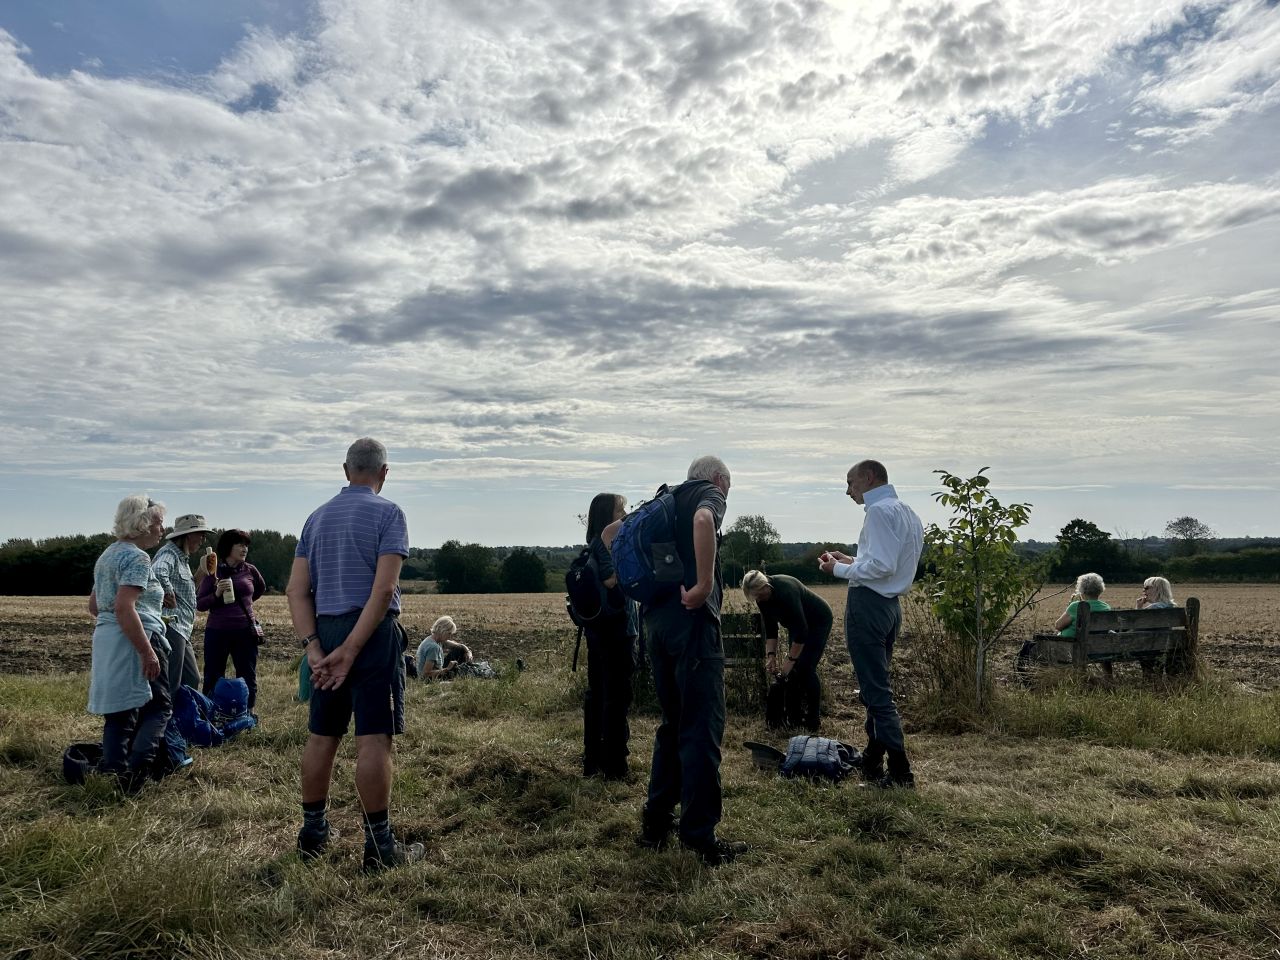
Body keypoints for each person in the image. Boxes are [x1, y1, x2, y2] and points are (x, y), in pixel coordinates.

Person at [286, 438, 423, 871]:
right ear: (384, 472)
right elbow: (383, 591)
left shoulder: (315, 519)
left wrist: (315, 647)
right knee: (374, 739)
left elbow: (295, 590)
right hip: (371, 637)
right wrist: (351, 649)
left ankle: (312, 834)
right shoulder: (389, 513)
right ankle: (379, 848)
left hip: (324, 633)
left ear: (346, 470)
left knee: (322, 736)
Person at [608, 455, 746, 866]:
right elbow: (705, 523)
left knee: (672, 725)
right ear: (721, 479)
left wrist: (643, 589)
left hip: (657, 625)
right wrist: (703, 585)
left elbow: (611, 533)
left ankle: (656, 823)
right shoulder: (708, 494)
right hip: (693, 627)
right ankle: (700, 837)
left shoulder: (663, 499)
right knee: (702, 727)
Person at [818, 459, 924, 789]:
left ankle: (901, 772)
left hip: (869, 606)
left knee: (876, 692)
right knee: (874, 685)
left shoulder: (878, 512)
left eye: (850, 483)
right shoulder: (907, 511)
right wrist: (851, 560)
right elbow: (886, 565)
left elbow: (880, 567)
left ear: (869, 477)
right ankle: (873, 759)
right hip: (891, 607)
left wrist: (837, 571)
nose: (847, 490)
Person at [86, 495, 172, 792]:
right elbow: (125, 607)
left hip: (107, 639)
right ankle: (137, 774)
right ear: (143, 524)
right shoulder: (138, 557)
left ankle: (112, 773)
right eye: (159, 523)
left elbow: (95, 607)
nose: (162, 529)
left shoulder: (107, 555)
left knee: (119, 711)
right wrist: (147, 652)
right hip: (137, 637)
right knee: (159, 707)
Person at [581, 492, 639, 780]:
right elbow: (612, 580)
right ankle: (616, 767)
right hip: (616, 632)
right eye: (621, 510)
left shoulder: (592, 545)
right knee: (617, 698)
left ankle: (592, 761)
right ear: (608, 517)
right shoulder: (606, 545)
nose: (625, 514)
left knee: (598, 696)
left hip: (598, 631)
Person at [741, 569, 832, 732]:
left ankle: (813, 719)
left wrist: (789, 661)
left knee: (805, 668)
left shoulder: (786, 591)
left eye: (760, 595)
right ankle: (794, 717)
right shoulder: (761, 597)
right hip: (796, 626)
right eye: (755, 597)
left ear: (766, 585)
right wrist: (771, 656)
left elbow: (803, 631)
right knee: (792, 672)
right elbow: (770, 629)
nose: (759, 600)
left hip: (818, 621)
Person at [196, 529, 266, 713]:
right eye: (240, 545)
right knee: (213, 675)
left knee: (247, 674)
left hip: (245, 631)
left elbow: (259, 589)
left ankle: (248, 714)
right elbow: (200, 604)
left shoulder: (250, 570)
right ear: (228, 547)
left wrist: (245, 605)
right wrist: (217, 594)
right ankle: (210, 714)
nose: (245, 549)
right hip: (217, 632)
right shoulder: (213, 571)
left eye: (246, 546)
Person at [151, 513, 213, 694]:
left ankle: (180, 715)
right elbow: (157, 570)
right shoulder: (169, 553)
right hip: (172, 624)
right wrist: (166, 592)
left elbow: (187, 591)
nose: (203, 539)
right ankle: (166, 718)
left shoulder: (182, 559)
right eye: (200, 534)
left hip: (182, 628)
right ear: (187, 535)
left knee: (192, 677)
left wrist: (202, 572)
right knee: (172, 681)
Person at [415, 616, 471, 680]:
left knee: (459, 650)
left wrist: (467, 651)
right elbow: (425, 674)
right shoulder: (433, 647)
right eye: (449, 634)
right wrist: (447, 669)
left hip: (435, 671)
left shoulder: (433, 639)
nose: (450, 637)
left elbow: (459, 646)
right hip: (430, 679)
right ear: (442, 630)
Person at [1054, 572, 1110, 637]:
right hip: (1096, 642)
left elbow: (1058, 626)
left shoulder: (1075, 606)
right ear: (1100, 590)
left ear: (1082, 591)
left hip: (1072, 643)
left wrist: (1071, 605)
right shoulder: (1106, 607)